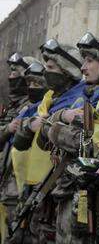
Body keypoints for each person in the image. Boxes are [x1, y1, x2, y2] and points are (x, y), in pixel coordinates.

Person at [38, 34, 99, 244]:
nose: (82, 68)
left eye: (89, 61)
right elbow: (43, 133)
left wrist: (54, 129)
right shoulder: (89, 96)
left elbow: (86, 142)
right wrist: (60, 118)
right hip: (74, 195)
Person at [11, 40, 84, 243]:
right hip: (35, 185)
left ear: (67, 69)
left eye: (51, 68)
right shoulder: (48, 100)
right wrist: (31, 125)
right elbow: (20, 142)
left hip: (56, 187)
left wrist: (45, 123)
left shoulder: (78, 100)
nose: (46, 73)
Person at [0, 54, 40, 234]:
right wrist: (7, 129)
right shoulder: (12, 107)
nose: (11, 77)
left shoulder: (32, 107)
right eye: (11, 73)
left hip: (17, 187)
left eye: (16, 73)